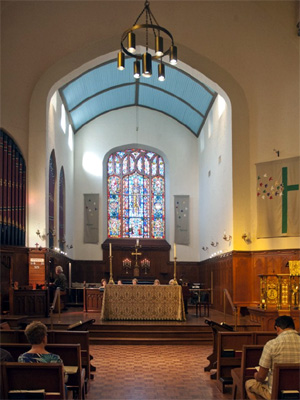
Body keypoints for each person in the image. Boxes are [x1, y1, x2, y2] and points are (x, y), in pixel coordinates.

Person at [245, 315, 300, 400]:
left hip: (276, 393)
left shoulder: (272, 344)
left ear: (277, 328)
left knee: (249, 384)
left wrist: (256, 375)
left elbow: (261, 377)